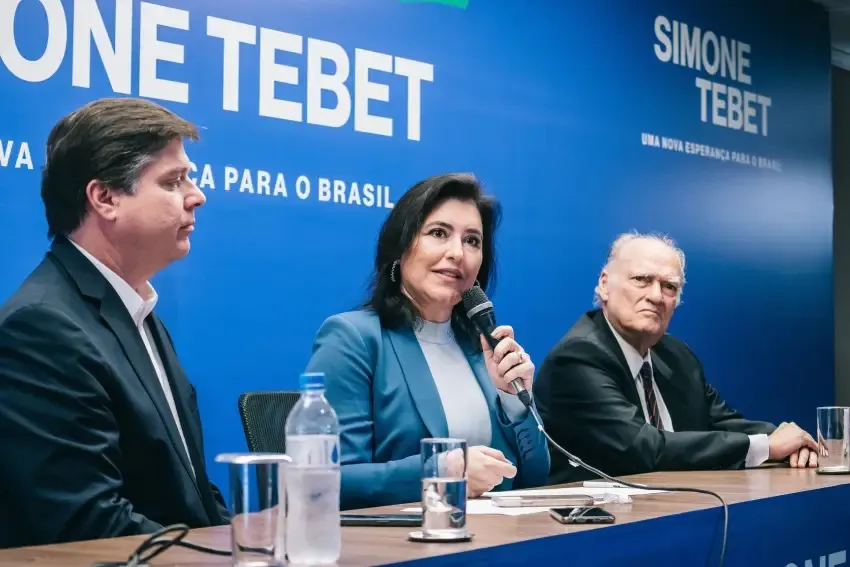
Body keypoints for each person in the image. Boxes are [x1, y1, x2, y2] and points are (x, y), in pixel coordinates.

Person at [0, 98, 229, 548]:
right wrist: (218, 557)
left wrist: (241, 544)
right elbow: (86, 523)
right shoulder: (42, 328)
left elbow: (194, 494)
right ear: (104, 197)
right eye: (173, 180)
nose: (197, 195)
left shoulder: (137, 311)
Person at [305, 173, 550, 510]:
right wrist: (441, 469)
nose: (457, 253)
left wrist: (514, 401)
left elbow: (535, 476)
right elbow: (324, 481)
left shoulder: (483, 348)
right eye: (438, 233)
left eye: (472, 241)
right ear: (401, 247)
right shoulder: (353, 339)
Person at [534, 232, 819, 484]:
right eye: (641, 280)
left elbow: (721, 421)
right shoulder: (577, 357)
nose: (656, 296)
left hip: (678, 507)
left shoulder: (676, 355)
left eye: (669, 286)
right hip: (596, 526)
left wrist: (792, 441)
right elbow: (644, 448)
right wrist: (767, 446)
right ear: (605, 285)